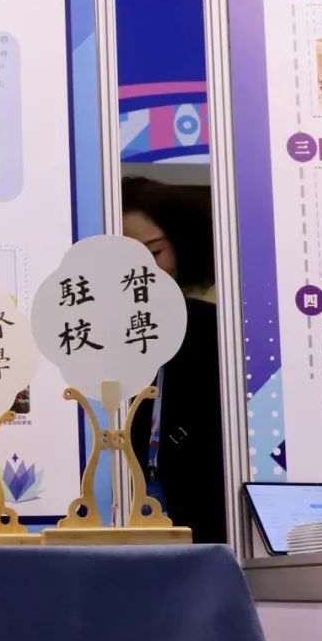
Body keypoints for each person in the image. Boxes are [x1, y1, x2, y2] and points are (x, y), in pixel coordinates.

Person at [122, 177, 227, 544]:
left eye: (155, 253)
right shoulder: (89, 340)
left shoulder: (218, 331)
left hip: (204, 526)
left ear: (181, 248)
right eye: (127, 259)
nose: (143, 273)